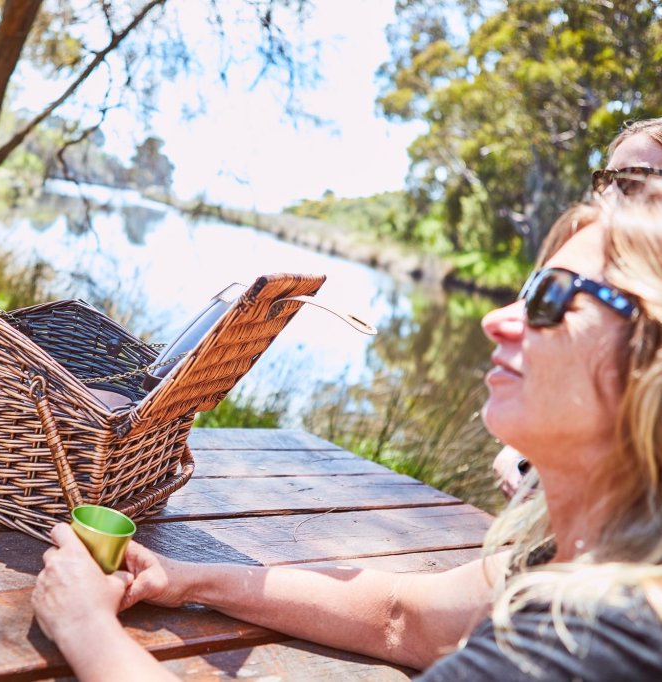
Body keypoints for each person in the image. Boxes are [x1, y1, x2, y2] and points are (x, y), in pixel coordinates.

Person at [32, 190, 662, 680]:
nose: (498, 321)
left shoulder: (596, 642)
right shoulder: (578, 558)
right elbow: (402, 619)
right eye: (524, 291)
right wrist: (185, 578)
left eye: (553, 297)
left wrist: (86, 625)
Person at [493, 116, 662, 500]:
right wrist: (519, 452)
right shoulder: (581, 260)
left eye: (636, 181)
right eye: (607, 181)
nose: (611, 198)